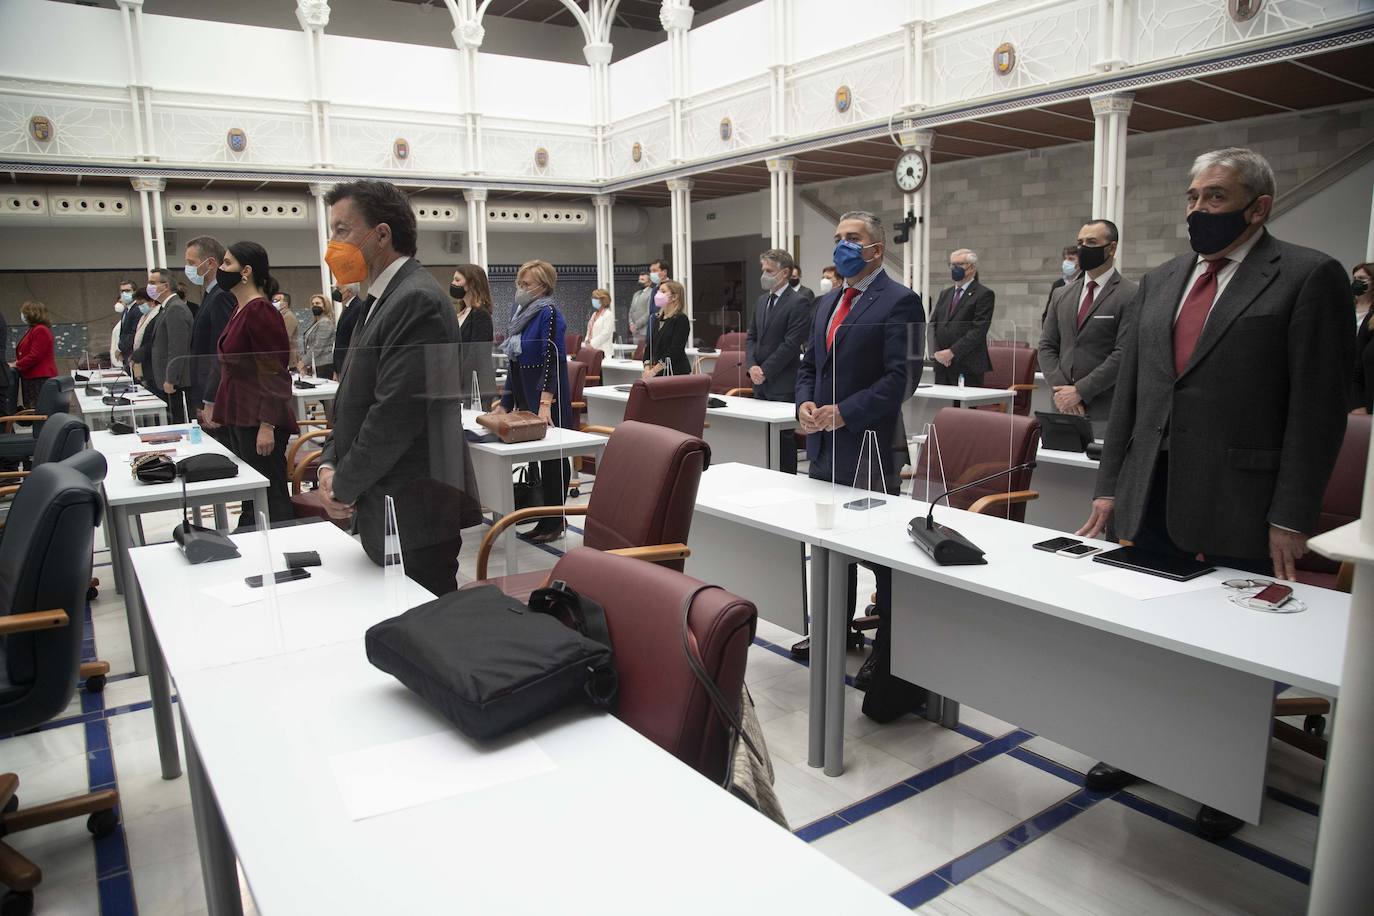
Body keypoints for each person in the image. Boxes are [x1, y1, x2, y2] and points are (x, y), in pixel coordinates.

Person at [1077, 147, 1353, 839]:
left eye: (1217, 197)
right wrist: (1110, 489)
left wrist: (1292, 515)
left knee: (1231, 649)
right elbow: (1136, 397)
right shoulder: (1163, 280)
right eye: (1194, 196)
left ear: (1258, 207)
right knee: (1153, 638)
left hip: (1244, 500)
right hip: (1153, 493)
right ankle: (1143, 747)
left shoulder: (1306, 276)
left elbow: (1317, 413)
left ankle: (1224, 779)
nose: (1199, 209)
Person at [316, 180, 481, 595]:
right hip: (387, 505)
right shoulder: (380, 299)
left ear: (382, 234)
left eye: (342, 230)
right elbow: (352, 397)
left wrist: (343, 484)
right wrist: (328, 463)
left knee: (424, 640)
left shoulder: (417, 300)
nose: (333, 243)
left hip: (414, 510)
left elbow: (394, 415)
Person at [796, 211, 924, 722]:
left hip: (869, 445)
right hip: (824, 447)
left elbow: (903, 379)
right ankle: (836, 629)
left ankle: (890, 651)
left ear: (875, 248)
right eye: (837, 239)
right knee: (829, 544)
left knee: (878, 553)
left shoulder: (902, 301)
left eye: (853, 238)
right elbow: (809, 367)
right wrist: (804, 406)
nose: (843, 246)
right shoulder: (827, 301)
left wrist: (845, 412)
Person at [205, 241, 298, 527]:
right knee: (251, 494)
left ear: (246, 271)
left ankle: (284, 553)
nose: (221, 269)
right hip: (239, 414)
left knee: (270, 497)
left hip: (258, 419)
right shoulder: (239, 308)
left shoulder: (260, 311)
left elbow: (274, 371)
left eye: (227, 263)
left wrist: (267, 425)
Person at [491, 259, 573, 545]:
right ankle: (545, 518)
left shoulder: (549, 312)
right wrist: (506, 401)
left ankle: (555, 519)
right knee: (541, 458)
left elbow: (552, 358)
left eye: (526, 284)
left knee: (555, 458)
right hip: (527, 394)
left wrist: (546, 402)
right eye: (519, 283)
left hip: (547, 397)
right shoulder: (521, 313)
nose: (520, 289)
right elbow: (513, 362)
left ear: (543, 285)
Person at [1038, 220, 1138, 435]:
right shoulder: (1061, 294)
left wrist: (1080, 391)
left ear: (1111, 248)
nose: (1083, 248)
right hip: (1061, 405)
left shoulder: (1131, 294)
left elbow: (1124, 353)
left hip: (1104, 408)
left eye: (1091, 242)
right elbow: (1047, 345)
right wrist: (1063, 391)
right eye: (1080, 242)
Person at [747, 249, 810, 474]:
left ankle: (787, 481)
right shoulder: (761, 300)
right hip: (759, 381)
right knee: (760, 437)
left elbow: (790, 344)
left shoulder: (798, 302)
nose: (764, 274)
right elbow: (752, 337)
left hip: (782, 382)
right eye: (763, 269)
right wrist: (752, 366)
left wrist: (765, 370)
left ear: (784, 273)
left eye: (769, 270)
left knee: (783, 441)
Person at [185, 236, 236, 434]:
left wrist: (211, 397)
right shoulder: (209, 293)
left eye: (191, 263)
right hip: (204, 385)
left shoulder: (222, 294)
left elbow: (220, 348)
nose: (188, 268)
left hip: (215, 391)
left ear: (211, 263)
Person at [930, 248, 994, 387]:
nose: (954, 268)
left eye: (959, 264)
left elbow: (978, 330)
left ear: (971, 268)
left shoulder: (984, 294)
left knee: (963, 408)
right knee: (943, 407)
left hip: (967, 365)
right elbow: (933, 324)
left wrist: (952, 352)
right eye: (952, 265)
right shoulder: (945, 294)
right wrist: (938, 353)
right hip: (942, 365)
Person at [149, 268, 193, 422]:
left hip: (176, 382)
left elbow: (177, 348)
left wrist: (171, 378)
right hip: (166, 377)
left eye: (153, 283)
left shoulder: (175, 308)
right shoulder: (166, 308)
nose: (150, 287)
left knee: (177, 421)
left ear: (166, 286)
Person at [451, 265, 496, 406]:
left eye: (457, 280)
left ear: (471, 283)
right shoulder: (461, 313)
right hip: (461, 384)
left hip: (474, 386)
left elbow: (476, 354)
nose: (453, 283)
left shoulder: (480, 314)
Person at [14, 300, 56, 409]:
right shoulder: (33, 330)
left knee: (38, 410)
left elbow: (35, 355)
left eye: (24, 313)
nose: (23, 316)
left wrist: (17, 364)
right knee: (34, 410)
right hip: (32, 378)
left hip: (38, 378)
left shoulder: (40, 330)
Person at [644, 280, 690, 378]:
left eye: (663, 291)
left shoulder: (681, 319)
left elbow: (675, 350)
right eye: (658, 291)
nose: (658, 294)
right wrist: (647, 368)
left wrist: (654, 371)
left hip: (675, 372)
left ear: (674, 297)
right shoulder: (657, 318)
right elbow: (650, 346)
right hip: (657, 372)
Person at [331, 281, 368, 378]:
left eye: (339, 289)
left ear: (349, 292)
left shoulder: (358, 307)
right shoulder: (348, 307)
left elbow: (354, 339)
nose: (336, 292)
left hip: (349, 363)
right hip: (342, 363)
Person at [1350, 263, 1373, 414]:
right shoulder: (1346, 306)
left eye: (1362, 278)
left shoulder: (1370, 314)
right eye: (1355, 278)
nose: (1357, 281)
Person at [130, 283, 162, 389]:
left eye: (142, 303)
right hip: (145, 364)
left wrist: (139, 354)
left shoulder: (157, 316)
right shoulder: (144, 317)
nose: (140, 306)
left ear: (152, 301)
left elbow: (152, 341)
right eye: (138, 304)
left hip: (154, 364)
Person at [299, 294, 336, 378]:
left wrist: (303, 362)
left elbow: (318, 346)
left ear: (325, 306)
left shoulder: (325, 322)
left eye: (318, 303)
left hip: (324, 364)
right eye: (313, 304)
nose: (314, 306)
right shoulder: (315, 323)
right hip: (315, 363)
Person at [1043, 244, 1080, 323]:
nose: (1066, 262)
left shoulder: (1086, 282)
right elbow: (1048, 313)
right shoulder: (1057, 284)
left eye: (1071, 259)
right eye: (1065, 259)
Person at [271, 291, 301, 369]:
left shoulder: (288, 317)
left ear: (285, 303)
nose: (273, 303)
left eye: (276, 300)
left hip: (289, 360)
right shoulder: (279, 316)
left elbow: (284, 337)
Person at [115, 279, 140, 371]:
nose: (124, 293)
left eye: (128, 291)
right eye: (122, 291)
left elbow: (133, 333)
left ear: (135, 292)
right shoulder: (126, 310)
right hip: (126, 355)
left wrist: (120, 348)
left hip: (133, 354)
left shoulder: (137, 309)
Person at [586, 288, 615, 359]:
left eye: (595, 298)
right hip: (592, 351)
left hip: (604, 352)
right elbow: (589, 330)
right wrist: (587, 342)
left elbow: (605, 334)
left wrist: (592, 344)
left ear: (603, 300)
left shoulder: (608, 314)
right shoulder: (594, 314)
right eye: (593, 298)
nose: (593, 300)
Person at [628, 272, 652, 347]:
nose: (640, 281)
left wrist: (636, 325)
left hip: (645, 330)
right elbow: (631, 311)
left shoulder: (651, 293)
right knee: (636, 354)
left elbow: (648, 312)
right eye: (639, 279)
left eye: (642, 279)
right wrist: (631, 323)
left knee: (643, 353)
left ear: (649, 282)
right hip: (635, 331)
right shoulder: (636, 294)